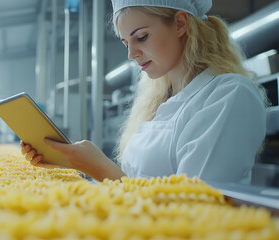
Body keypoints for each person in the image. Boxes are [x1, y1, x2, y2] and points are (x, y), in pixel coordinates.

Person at [21, 0, 267, 184]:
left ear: (181, 24)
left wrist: (102, 169)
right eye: (126, 43)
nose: (131, 54)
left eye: (142, 37)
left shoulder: (229, 95)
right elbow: (135, 182)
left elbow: (195, 207)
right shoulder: (159, 103)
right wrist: (74, 164)